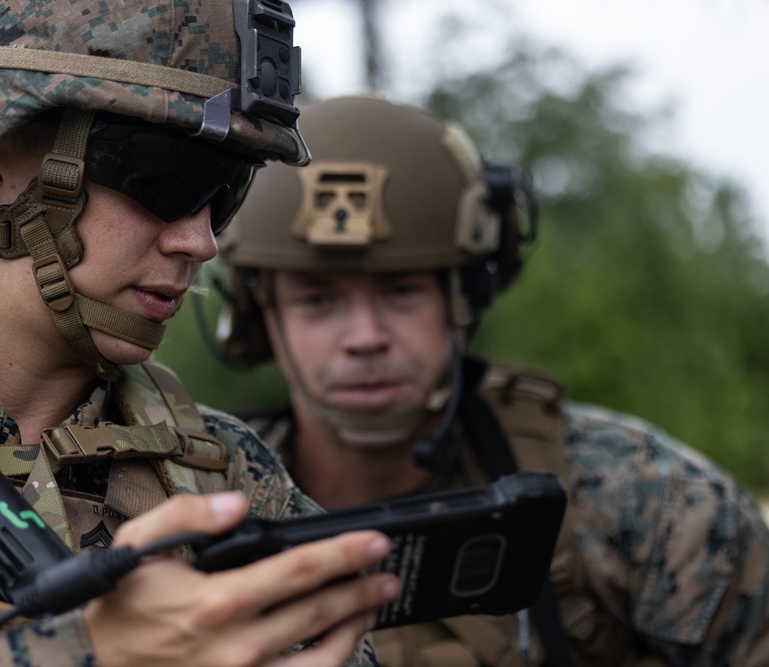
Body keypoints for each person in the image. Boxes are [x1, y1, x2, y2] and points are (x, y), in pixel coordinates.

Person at [0, 4, 404, 667]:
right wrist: (84, 652)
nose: (202, 240)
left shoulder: (226, 472)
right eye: (163, 176)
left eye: (224, 190)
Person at [215, 94, 769, 666]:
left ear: (462, 300)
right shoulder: (200, 507)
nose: (365, 337)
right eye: (317, 300)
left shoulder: (651, 504)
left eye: (402, 292)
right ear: (261, 313)